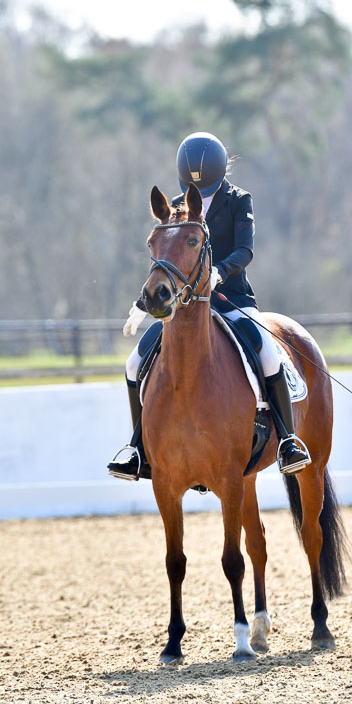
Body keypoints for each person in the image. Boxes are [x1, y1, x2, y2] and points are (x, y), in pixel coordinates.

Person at [108, 131, 311, 479]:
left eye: (204, 189)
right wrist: (143, 305)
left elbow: (245, 250)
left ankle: (287, 440)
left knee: (267, 353)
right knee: (133, 363)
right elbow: (167, 260)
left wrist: (219, 272)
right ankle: (138, 448)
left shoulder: (238, 200)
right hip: (185, 308)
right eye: (192, 188)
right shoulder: (177, 206)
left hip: (231, 300)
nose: (197, 195)